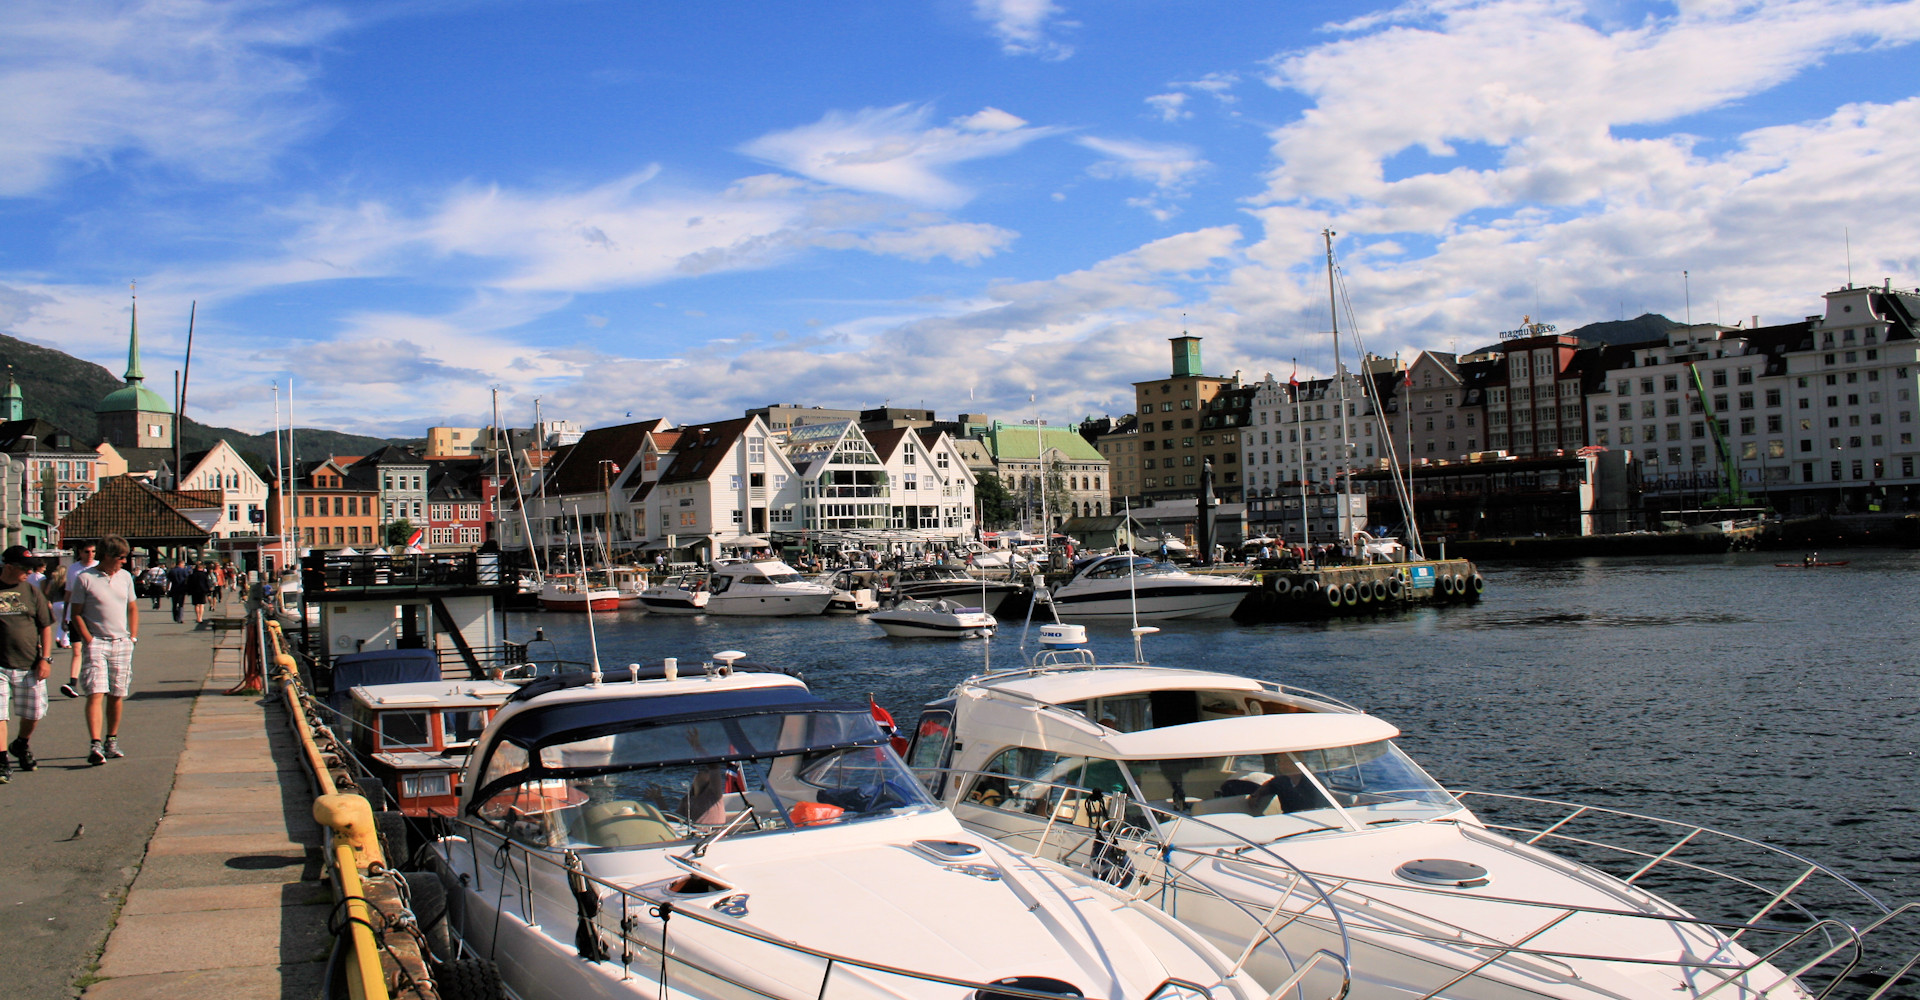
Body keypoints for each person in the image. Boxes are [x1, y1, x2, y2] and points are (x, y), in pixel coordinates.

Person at [69, 534, 139, 766]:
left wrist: (133, 636)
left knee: (117, 693)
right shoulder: (85, 578)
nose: (124, 561)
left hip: (121, 641)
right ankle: (95, 743)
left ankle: (112, 739)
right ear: (107, 556)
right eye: (121, 557)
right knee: (95, 692)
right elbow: (76, 613)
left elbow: (132, 607)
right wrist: (89, 639)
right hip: (97, 641)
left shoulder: (125, 577)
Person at [0, 545, 56, 781]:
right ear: (8, 567)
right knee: (0, 714)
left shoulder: (32, 591)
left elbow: (45, 626)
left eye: (31, 568)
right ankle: (2, 760)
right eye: (25, 568)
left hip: (29, 662)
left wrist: (45, 659)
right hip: (1, 663)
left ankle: (21, 744)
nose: (29, 572)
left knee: (34, 712)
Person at [55, 542, 96, 699]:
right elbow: (68, 593)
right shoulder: (73, 569)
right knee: (77, 650)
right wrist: (65, 615)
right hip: (75, 614)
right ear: (80, 552)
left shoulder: (99, 567)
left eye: (93, 551)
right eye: (87, 551)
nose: (90, 554)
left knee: (95, 650)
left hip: (93, 614)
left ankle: (98, 682)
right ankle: (72, 683)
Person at [166, 557, 191, 623]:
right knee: (181, 604)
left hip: (174, 589)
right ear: (181, 564)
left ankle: (175, 617)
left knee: (174, 604)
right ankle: (180, 618)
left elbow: (168, 581)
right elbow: (187, 580)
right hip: (182, 589)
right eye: (183, 564)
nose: (184, 566)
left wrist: (167, 589)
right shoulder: (184, 571)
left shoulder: (172, 571)